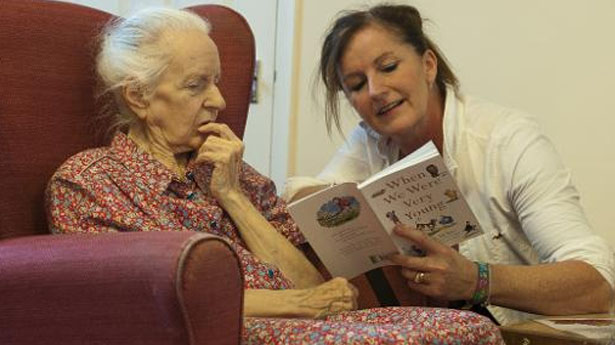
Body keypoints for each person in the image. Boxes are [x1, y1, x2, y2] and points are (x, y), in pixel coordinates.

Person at [45, 7, 504, 344]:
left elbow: (308, 283)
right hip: (225, 334)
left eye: (218, 81)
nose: (220, 102)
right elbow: (144, 304)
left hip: (301, 326)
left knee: (468, 328)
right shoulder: (90, 184)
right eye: (196, 85)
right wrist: (300, 305)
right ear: (140, 99)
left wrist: (232, 196)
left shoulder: (234, 171)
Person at [284, 3, 615, 326]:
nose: (375, 91)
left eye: (388, 67)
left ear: (428, 65)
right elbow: (301, 196)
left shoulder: (507, 140)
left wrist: (477, 280)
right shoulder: (368, 141)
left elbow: (598, 284)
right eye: (356, 85)